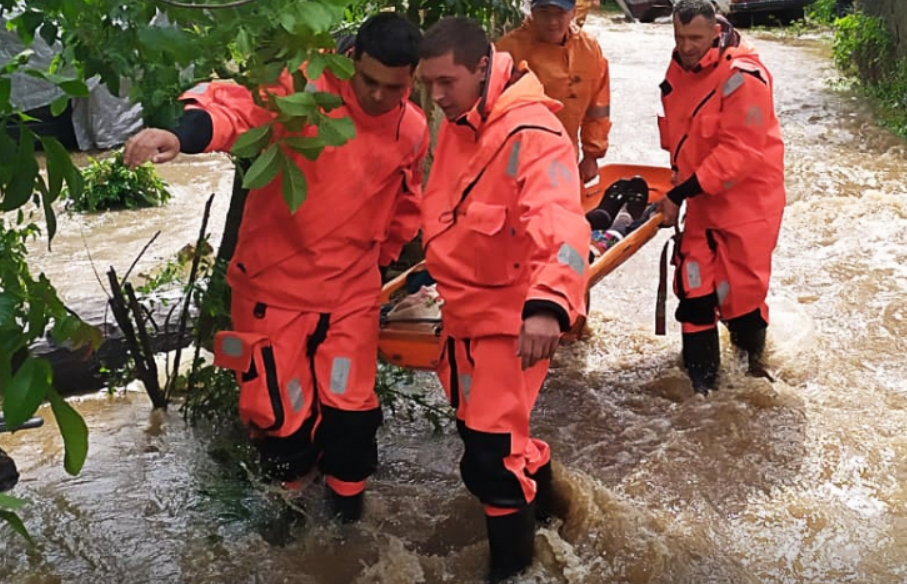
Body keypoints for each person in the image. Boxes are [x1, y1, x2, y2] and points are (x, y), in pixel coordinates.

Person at [123, 13, 429, 522]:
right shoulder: (303, 89)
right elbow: (235, 110)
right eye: (369, 82)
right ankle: (286, 534)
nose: (377, 96)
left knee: (351, 424)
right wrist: (182, 137)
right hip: (274, 288)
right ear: (352, 60)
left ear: (411, 79)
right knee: (280, 424)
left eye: (392, 88)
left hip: (351, 292)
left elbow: (406, 205)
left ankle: (346, 545)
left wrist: (381, 263)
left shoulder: (411, 129)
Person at [418, 17, 590, 582]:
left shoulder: (532, 134)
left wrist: (547, 305)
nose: (436, 96)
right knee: (491, 443)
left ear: (482, 68)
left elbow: (559, 221)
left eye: (447, 82)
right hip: (463, 319)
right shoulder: (464, 123)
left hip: (512, 323)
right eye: (429, 84)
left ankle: (513, 572)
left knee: (489, 462)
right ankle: (559, 510)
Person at [654, 0, 785, 394]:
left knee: (741, 301)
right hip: (701, 202)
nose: (687, 46)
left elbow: (739, 154)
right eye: (680, 37)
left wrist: (679, 193)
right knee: (693, 293)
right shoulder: (678, 67)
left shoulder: (745, 76)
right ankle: (702, 396)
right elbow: (682, 137)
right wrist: (679, 189)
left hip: (747, 207)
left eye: (695, 37)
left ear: (716, 31)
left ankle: (754, 379)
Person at [496, 0, 611, 185]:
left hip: (565, 153)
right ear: (532, 12)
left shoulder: (589, 49)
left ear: (573, 12)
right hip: (516, 155)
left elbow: (598, 106)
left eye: (559, 13)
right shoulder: (508, 51)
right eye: (544, 12)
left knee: (560, 208)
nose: (552, 21)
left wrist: (592, 155)